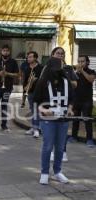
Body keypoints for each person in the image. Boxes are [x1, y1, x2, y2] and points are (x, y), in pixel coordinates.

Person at [33, 57, 74, 185]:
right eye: (55, 69)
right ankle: (44, 173)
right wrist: (44, 111)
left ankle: (57, 172)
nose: (57, 71)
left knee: (60, 147)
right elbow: (36, 101)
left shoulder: (66, 81)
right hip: (47, 120)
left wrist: (70, 109)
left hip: (63, 120)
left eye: (59, 69)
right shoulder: (42, 82)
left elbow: (72, 98)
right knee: (48, 146)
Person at [49, 47, 78, 162]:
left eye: (62, 54)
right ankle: (51, 150)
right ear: (52, 55)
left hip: (64, 102)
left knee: (63, 129)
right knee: (51, 129)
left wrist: (65, 80)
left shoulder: (68, 69)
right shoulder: (47, 68)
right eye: (57, 53)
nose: (60, 55)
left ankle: (63, 151)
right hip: (51, 102)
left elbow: (75, 84)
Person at [70, 55, 96, 147]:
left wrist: (82, 71)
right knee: (75, 119)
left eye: (83, 61)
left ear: (87, 62)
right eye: (79, 61)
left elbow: (90, 80)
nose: (80, 63)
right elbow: (72, 85)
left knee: (87, 120)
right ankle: (73, 136)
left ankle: (89, 139)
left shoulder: (91, 71)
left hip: (87, 101)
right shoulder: (75, 73)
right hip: (76, 99)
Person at [23, 51, 44, 138]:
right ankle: (33, 127)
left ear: (35, 58)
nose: (28, 58)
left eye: (30, 57)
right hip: (30, 92)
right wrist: (24, 91)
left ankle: (36, 129)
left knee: (37, 111)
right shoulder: (27, 68)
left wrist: (36, 80)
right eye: (28, 57)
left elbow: (43, 80)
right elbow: (25, 81)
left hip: (38, 92)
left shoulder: (41, 68)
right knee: (33, 110)